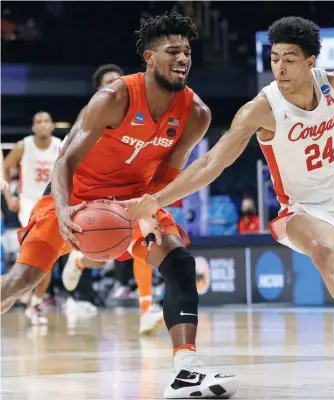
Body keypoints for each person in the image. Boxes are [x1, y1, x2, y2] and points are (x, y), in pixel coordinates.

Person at [0, 9, 239, 399]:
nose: (183, 59)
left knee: (179, 261)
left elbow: (168, 173)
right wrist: (62, 211)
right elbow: (65, 162)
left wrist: (147, 210)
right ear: (149, 57)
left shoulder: (195, 114)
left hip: (132, 203)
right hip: (75, 200)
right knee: (20, 281)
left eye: (188, 53)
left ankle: (186, 370)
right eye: (173, 51)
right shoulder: (114, 97)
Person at [120, 16, 334, 304]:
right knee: (322, 252)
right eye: (274, 58)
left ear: (310, 62)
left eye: (290, 59)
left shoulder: (333, 87)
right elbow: (213, 163)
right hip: (305, 211)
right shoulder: (261, 110)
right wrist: (156, 200)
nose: (280, 68)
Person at [61, 63, 163, 334]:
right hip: (94, 190)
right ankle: (81, 260)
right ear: (99, 91)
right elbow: (66, 160)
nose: (116, 87)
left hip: (130, 188)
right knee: (108, 249)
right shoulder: (90, 117)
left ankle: (146, 308)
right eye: (109, 83)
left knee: (145, 241)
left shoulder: (142, 116)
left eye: (120, 82)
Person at [3, 112, 61, 324]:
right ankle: (26, 296)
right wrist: (9, 195)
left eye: (46, 121)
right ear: (33, 127)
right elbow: (6, 166)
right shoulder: (23, 146)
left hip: (52, 202)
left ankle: (34, 301)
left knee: (49, 255)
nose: (43, 125)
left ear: (52, 126)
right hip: (29, 202)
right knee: (43, 251)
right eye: (38, 122)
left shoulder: (61, 145)